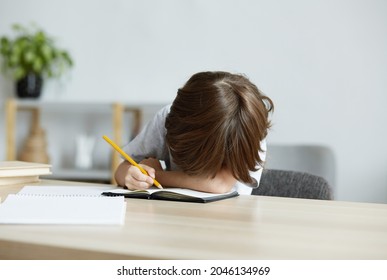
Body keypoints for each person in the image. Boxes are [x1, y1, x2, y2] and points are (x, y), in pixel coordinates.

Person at [115, 71, 274, 194]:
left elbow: (220, 184)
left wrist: (156, 175)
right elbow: (121, 170)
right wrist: (132, 176)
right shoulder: (169, 118)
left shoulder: (248, 128)